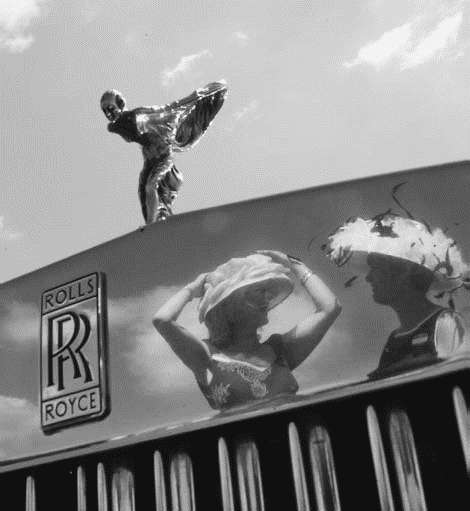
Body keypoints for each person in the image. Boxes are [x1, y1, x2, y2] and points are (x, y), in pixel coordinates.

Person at [153, 251, 341, 410]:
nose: (268, 298)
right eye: (259, 291)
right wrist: (192, 289)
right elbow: (162, 320)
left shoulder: (281, 350)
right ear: (231, 305)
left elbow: (330, 308)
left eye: (267, 292)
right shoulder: (207, 358)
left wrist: (294, 264)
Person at [324, 214, 469, 377]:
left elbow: (457, 382)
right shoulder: (394, 339)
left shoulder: (446, 322)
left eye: (376, 268)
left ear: (403, 272)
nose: (368, 277)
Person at [100, 81, 227, 223]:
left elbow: (169, 109)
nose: (109, 113)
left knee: (151, 187)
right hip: (150, 162)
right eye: (105, 111)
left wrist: (199, 95)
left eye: (110, 108)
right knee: (143, 192)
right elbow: (117, 127)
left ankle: (156, 220)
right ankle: (153, 223)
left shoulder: (139, 114)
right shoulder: (118, 124)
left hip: (163, 157)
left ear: (120, 103)